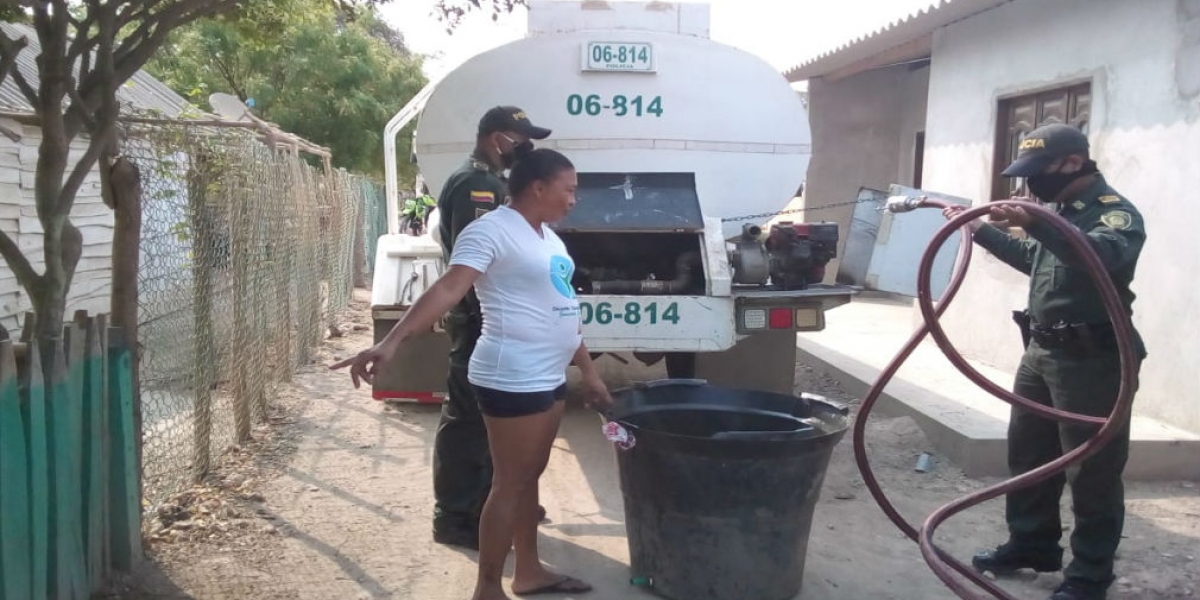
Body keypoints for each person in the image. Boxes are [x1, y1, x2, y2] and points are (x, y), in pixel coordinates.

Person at [334, 147, 611, 600]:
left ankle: (529, 571)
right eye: (570, 189)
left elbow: (564, 307)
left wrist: (589, 371)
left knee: (530, 476)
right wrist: (392, 341)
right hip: (511, 372)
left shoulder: (548, 239)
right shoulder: (491, 231)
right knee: (509, 482)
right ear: (538, 187)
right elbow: (449, 286)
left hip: (548, 373)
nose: (574, 199)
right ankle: (487, 589)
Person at [943, 123, 1147, 600]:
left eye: (1039, 172)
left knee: (1091, 469)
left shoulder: (1113, 215)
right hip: (1041, 353)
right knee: (1031, 456)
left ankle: (1090, 576)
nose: (1031, 183)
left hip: (1093, 360)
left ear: (1073, 164)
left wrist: (1040, 223)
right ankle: (1032, 544)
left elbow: (1099, 257)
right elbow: (1032, 257)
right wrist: (979, 231)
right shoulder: (1057, 212)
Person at [430, 106, 553, 550]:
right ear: (499, 139)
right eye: (520, 140)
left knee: (486, 424)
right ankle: (456, 516)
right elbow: (480, 262)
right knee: (466, 421)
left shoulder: (494, 182)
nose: (526, 149)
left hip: (489, 317)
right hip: (478, 316)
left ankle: (485, 503)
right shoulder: (476, 185)